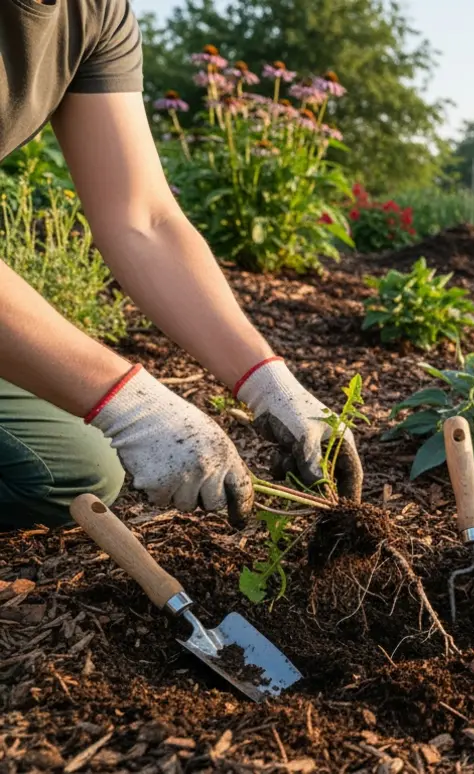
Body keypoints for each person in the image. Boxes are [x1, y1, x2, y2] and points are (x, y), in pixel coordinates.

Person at [0, 0, 362, 529]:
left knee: (71, 470)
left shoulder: (94, 12)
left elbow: (142, 218)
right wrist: (131, 405)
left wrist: (269, 384)